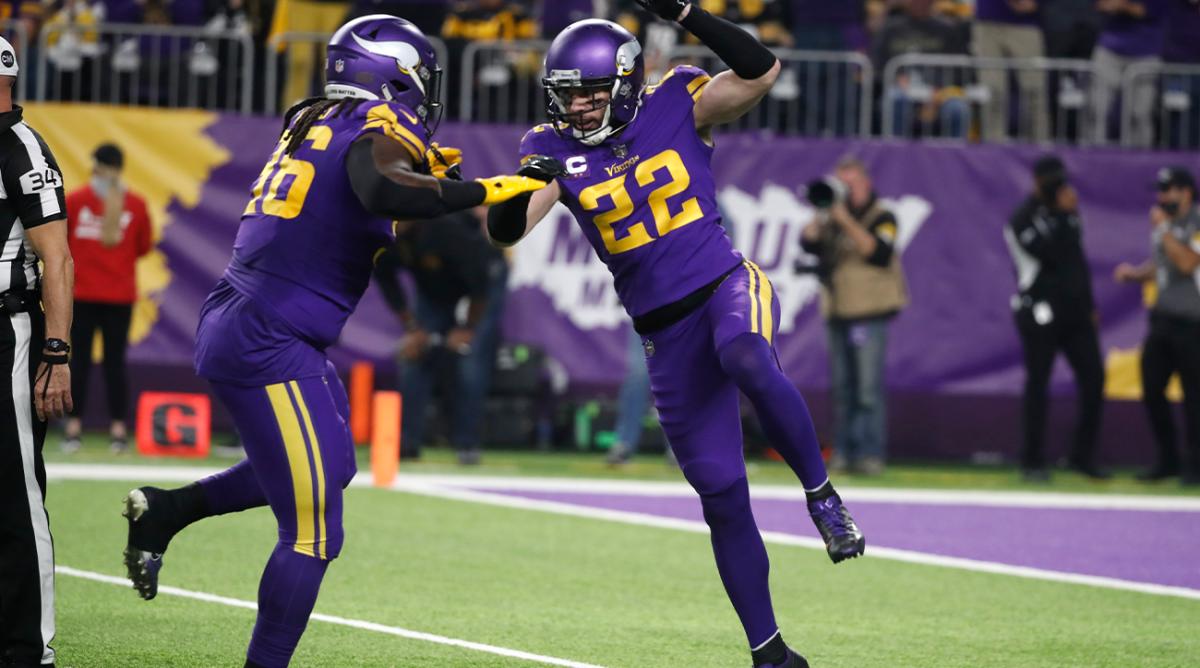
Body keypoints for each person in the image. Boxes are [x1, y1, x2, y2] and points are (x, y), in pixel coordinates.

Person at [117, 16, 552, 667]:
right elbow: (379, 185)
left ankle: (167, 512)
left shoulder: (315, 118)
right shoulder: (375, 127)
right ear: (396, 76)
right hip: (272, 335)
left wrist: (428, 185)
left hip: (252, 317)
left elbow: (364, 198)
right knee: (316, 531)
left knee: (333, 470)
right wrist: (484, 189)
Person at [487, 6, 864, 666]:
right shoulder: (549, 147)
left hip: (724, 285)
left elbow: (761, 69)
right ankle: (770, 652)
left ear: (627, 84)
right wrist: (513, 190)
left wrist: (690, 13)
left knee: (746, 353)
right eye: (567, 94)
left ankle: (822, 496)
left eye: (589, 93)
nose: (575, 108)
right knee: (721, 495)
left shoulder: (677, 100)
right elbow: (509, 230)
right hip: (663, 333)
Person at [0, 36, 74, 668]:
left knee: (15, 491)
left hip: (7, 333)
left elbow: (56, 257)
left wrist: (56, 349)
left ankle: (30, 648)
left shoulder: (23, 149)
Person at [374, 207, 508, 465]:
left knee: (470, 360)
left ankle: (467, 444)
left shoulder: (446, 229)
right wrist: (413, 329)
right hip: (433, 291)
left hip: (482, 280)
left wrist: (466, 328)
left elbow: (480, 286)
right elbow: (386, 281)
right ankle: (407, 442)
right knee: (414, 356)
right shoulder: (384, 234)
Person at [800, 157, 908, 476]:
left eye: (849, 183)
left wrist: (843, 218)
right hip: (838, 310)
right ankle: (844, 452)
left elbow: (878, 252)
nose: (844, 190)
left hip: (868, 312)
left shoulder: (883, 215)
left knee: (867, 390)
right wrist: (822, 211)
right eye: (840, 184)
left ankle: (870, 453)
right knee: (843, 388)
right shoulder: (831, 216)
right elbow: (808, 242)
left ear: (865, 182)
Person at [1003, 155, 1107, 482]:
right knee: (1038, 383)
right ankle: (1032, 461)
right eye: (1052, 181)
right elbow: (1051, 255)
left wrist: (1089, 304)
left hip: (1075, 312)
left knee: (1094, 379)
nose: (1058, 188)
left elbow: (1077, 262)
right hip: (1040, 309)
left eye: (1061, 181)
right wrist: (1065, 215)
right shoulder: (1023, 217)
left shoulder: (1068, 213)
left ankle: (1081, 456)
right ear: (1036, 181)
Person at [62, 142, 152, 454]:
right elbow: (143, 247)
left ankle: (73, 430)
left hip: (83, 295)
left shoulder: (75, 201)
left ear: (95, 165)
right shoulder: (137, 205)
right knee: (115, 364)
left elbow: (62, 244)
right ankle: (117, 432)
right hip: (118, 297)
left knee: (80, 362)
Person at [1114, 166, 1200, 486]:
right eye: (1161, 191)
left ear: (1186, 192)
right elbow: (1163, 264)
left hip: (1193, 322)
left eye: (1168, 190)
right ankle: (1168, 460)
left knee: (1194, 398)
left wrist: (1164, 230)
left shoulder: (1195, 223)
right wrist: (1136, 274)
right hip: (1163, 319)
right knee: (1152, 390)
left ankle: (1195, 466)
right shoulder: (1164, 226)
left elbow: (1188, 262)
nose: (1162, 197)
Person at [1091, 0, 1168, 145]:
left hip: (1146, 53)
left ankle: (1141, 159)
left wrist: (1123, 6)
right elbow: (1101, 4)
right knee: (1097, 107)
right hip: (1109, 49)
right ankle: (1093, 153)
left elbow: (1146, 10)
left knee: (1140, 113)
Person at [972, 0, 1050, 143]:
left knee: (1034, 90)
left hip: (1026, 22)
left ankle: (1041, 148)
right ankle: (993, 148)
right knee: (992, 91)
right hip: (988, 21)